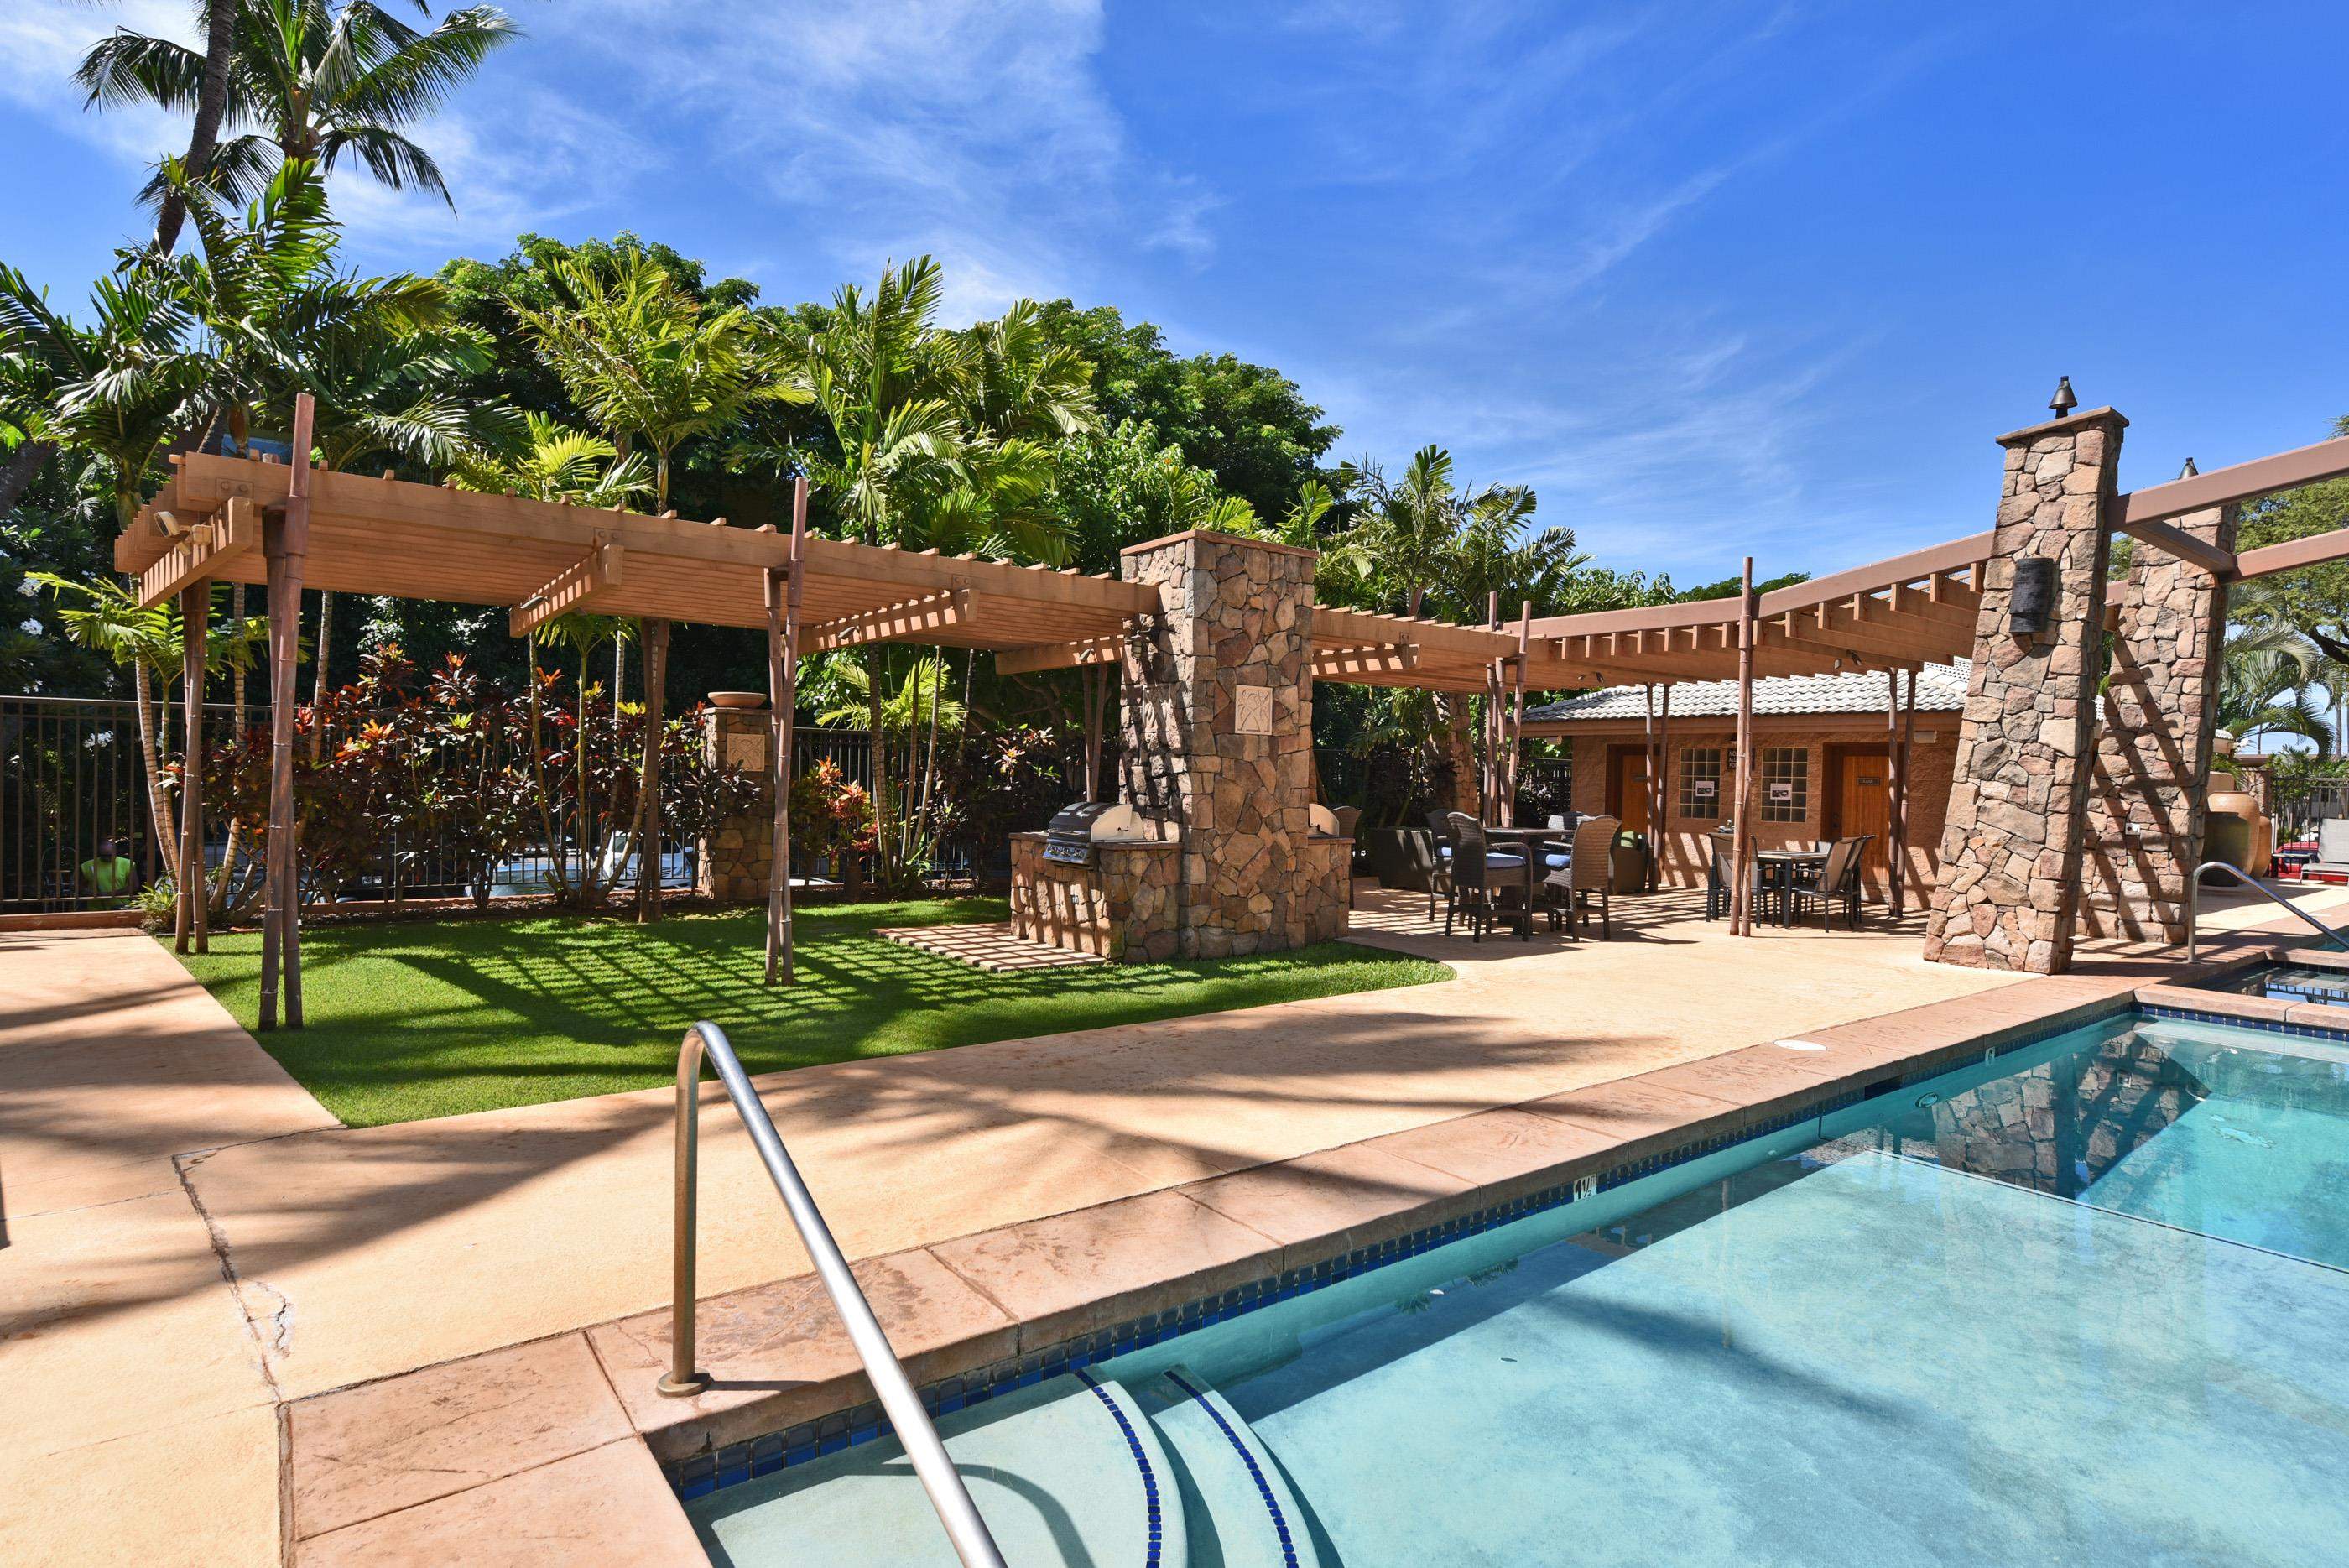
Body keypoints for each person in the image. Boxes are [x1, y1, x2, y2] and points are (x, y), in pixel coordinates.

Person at [81, 837, 137, 902]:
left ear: (116, 852)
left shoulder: (127, 864)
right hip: (96, 909)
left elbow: (134, 886)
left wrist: (110, 894)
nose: (107, 858)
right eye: (104, 856)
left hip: (120, 906)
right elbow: (79, 887)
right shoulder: (88, 865)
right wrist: (94, 894)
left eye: (110, 855)